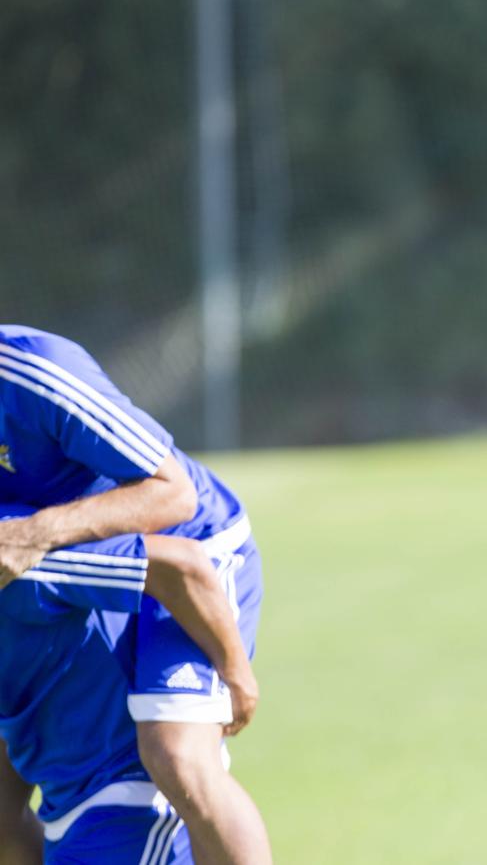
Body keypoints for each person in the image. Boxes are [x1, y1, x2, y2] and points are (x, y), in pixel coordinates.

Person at [0, 326, 269, 864]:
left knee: (178, 758)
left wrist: (235, 670)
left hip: (190, 543)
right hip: (80, 559)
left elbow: (174, 496)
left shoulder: (34, 370)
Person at [0, 504, 254, 863]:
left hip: (126, 800)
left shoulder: (23, 557)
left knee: (183, 760)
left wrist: (235, 672)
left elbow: (181, 564)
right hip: (70, 799)